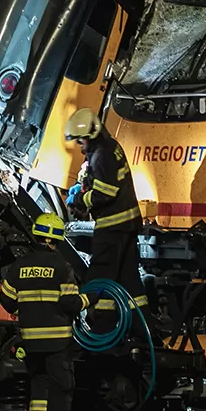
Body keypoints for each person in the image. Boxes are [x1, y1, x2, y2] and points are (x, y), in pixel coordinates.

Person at [0, 212, 98, 411]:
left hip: (30, 342)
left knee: (38, 386)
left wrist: (27, 313)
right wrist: (90, 299)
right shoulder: (62, 268)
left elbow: (6, 302)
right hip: (57, 342)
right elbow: (70, 303)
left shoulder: (18, 267)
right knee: (61, 389)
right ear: (56, 240)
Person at [63, 108, 147, 330]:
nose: (80, 146)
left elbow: (105, 193)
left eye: (80, 140)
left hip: (112, 227)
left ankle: (100, 327)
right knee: (128, 279)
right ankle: (141, 327)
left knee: (100, 275)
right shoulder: (109, 147)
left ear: (91, 135)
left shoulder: (102, 155)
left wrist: (80, 200)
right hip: (127, 224)